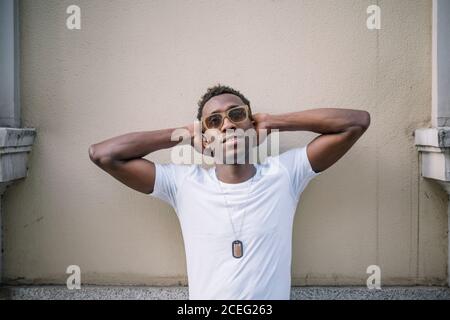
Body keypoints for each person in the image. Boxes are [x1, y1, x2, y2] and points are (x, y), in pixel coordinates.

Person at [89, 84, 370, 299]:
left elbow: (356, 123)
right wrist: (184, 133)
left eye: (237, 115)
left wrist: (274, 122)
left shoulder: (284, 173)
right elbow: (103, 154)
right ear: (205, 137)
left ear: (252, 124)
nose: (228, 125)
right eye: (214, 121)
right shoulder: (183, 183)